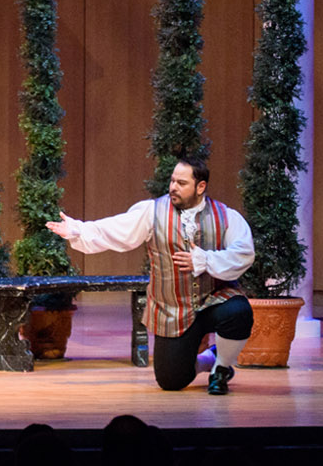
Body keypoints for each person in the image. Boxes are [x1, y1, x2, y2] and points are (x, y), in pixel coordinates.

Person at [46, 156, 254, 394]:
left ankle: (222, 368)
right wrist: (79, 230)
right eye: (172, 180)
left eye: (181, 183)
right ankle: (209, 358)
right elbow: (116, 230)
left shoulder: (226, 216)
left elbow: (244, 254)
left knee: (239, 311)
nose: (173, 187)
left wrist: (206, 260)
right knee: (171, 381)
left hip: (215, 300)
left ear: (201, 187)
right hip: (173, 308)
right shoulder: (152, 212)